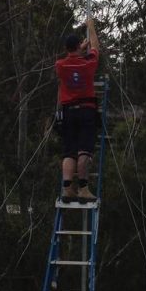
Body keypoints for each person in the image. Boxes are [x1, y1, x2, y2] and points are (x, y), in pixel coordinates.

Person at [55, 17, 100, 203]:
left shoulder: (60, 65)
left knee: (69, 151)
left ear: (67, 48)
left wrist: (78, 49)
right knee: (84, 151)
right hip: (86, 110)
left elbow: (71, 61)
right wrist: (91, 27)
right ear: (78, 47)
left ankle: (67, 188)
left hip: (68, 112)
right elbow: (96, 48)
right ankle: (83, 188)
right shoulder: (88, 64)